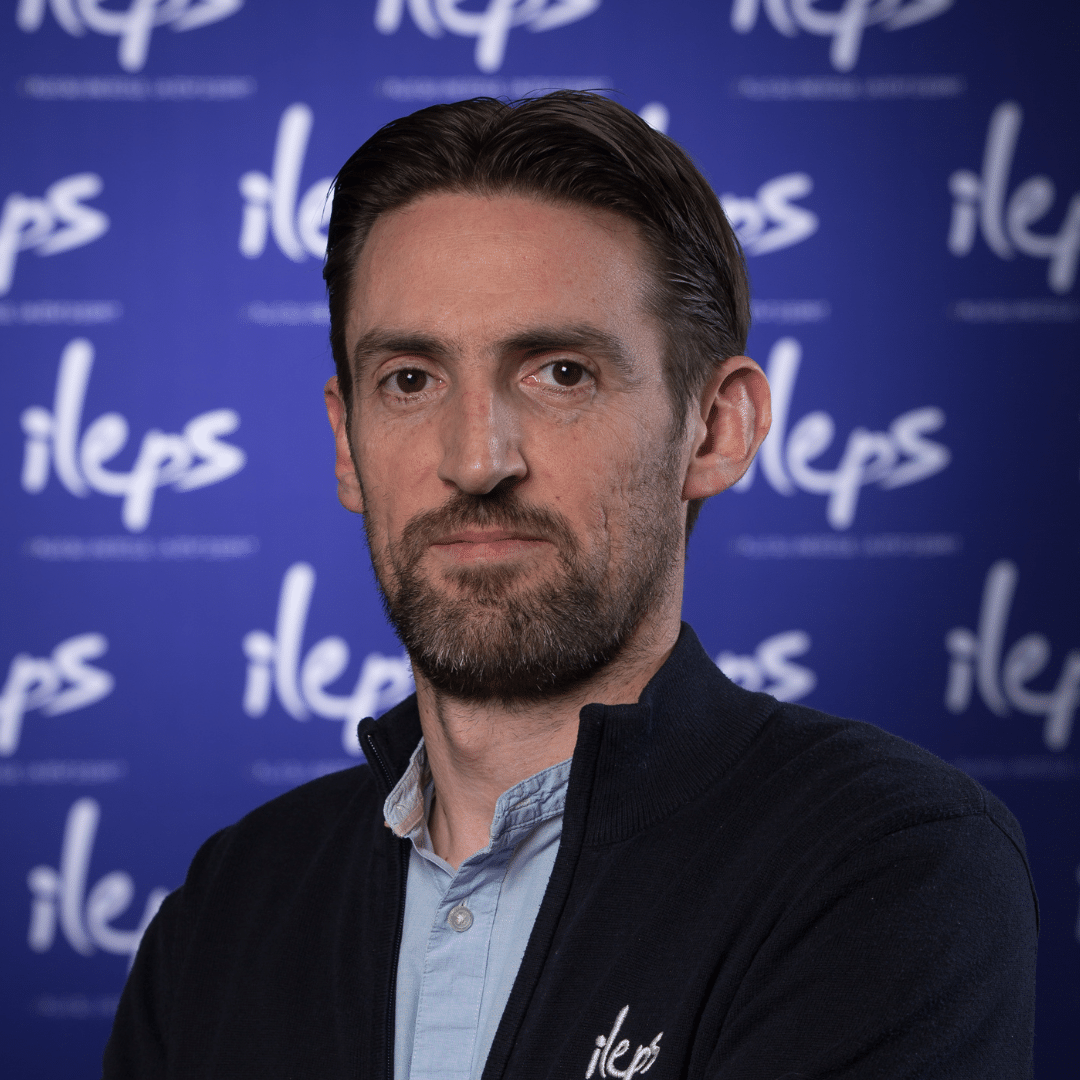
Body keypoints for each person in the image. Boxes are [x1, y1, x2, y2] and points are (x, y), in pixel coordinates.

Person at [103, 92, 1037, 1080]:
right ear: (346, 442)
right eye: (411, 380)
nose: (476, 461)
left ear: (716, 430)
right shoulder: (230, 905)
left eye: (559, 373)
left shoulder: (885, 860)